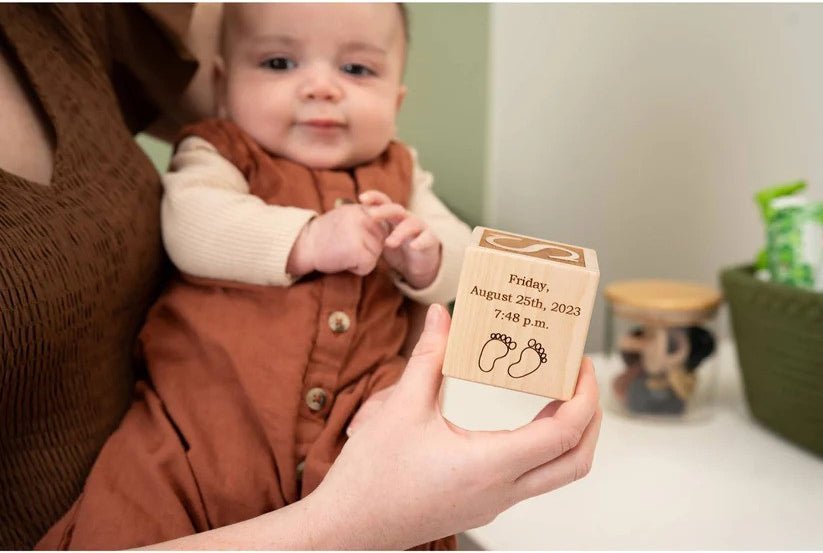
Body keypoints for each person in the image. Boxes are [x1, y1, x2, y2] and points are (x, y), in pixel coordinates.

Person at [0, 4, 602, 550]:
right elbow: (192, 226)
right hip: (193, 430)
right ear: (222, 84)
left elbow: (468, 259)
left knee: (420, 524)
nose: (321, 88)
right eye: (280, 62)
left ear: (395, 102)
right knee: (124, 517)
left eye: (358, 71)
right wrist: (306, 238)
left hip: (354, 431)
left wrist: (429, 257)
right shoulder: (218, 153)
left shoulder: (401, 173)